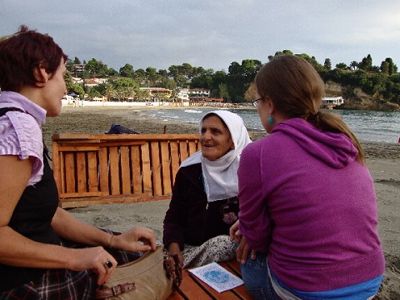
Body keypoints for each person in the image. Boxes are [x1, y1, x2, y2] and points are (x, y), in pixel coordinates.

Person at [0, 25, 156, 299]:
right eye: (63, 75)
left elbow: (47, 213)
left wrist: (112, 239)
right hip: (22, 283)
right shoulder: (18, 128)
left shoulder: (14, 119)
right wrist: (73, 259)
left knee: (126, 251)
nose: (66, 86)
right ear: (41, 72)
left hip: (32, 261)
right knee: (150, 268)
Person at [231, 55, 385, 299]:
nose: (258, 108)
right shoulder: (343, 142)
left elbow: (257, 240)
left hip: (307, 290)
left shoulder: (257, 154)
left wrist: (249, 229)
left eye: (257, 102)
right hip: (369, 280)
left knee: (246, 255)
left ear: (270, 104)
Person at [163, 110, 251, 268]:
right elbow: (174, 217)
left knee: (223, 244)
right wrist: (173, 246)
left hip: (232, 254)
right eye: (203, 130)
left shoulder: (249, 171)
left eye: (215, 132)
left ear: (233, 140)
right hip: (189, 249)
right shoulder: (189, 171)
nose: (205, 137)